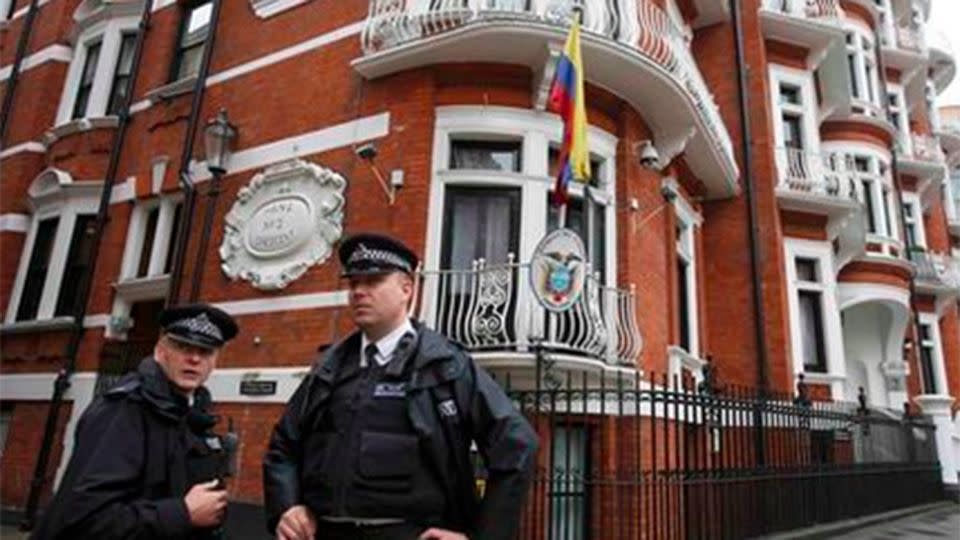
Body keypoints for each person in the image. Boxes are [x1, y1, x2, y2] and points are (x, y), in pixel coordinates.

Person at [263, 233, 539, 540]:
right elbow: (284, 446)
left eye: (373, 281)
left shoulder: (445, 364)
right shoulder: (329, 367)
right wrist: (287, 506)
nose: (359, 292)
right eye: (353, 283)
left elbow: (517, 445)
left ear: (406, 288)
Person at [30, 303, 239, 540]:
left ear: (215, 362)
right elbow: (84, 520)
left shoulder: (195, 414)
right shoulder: (123, 409)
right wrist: (182, 514)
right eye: (183, 347)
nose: (194, 358)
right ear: (161, 352)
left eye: (205, 351)